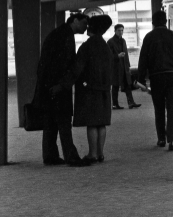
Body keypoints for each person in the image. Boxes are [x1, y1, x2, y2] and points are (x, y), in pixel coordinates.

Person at [31, 12, 91, 167]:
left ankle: (50, 155)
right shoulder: (65, 36)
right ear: (75, 20)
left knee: (50, 122)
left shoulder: (58, 33)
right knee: (64, 121)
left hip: (47, 86)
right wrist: (61, 85)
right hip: (57, 87)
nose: (86, 27)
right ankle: (71, 157)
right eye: (84, 23)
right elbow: (63, 64)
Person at [137, 10, 173, 151]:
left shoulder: (149, 37)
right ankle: (172, 140)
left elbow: (143, 60)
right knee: (172, 109)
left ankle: (161, 138)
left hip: (157, 77)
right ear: (166, 21)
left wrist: (141, 80)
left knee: (159, 108)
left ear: (153, 22)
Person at [66, 15, 114, 163]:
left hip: (90, 90)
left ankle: (92, 153)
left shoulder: (86, 46)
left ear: (92, 28)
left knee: (92, 123)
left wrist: (66, 83)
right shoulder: (106, 47)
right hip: (104, 89)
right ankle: (100, 153)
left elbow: (77, 68)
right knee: (101, 122)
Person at [108, 24, 141, 110]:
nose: (121, 32)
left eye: (122, 30)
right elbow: (108, 55)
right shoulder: (110, 42)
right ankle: (115, 104)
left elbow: (126, 56)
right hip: (115, 67)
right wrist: (117, 56)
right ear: (115, 31)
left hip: (124, 66)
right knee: (115, 86)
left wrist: (128, 67)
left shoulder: (123, 41)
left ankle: (131, 103)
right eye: (119, 30)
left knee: (127, 85)